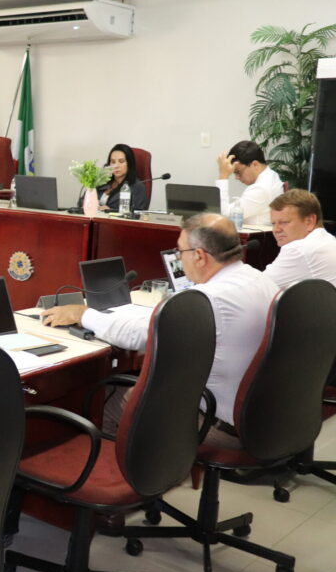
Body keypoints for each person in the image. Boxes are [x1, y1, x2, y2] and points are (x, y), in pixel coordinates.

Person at [41, 213, 278, 446]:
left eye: (180, 251)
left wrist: (82, 315)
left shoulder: (209, 299)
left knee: (106, 400)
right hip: (266, 417)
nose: (178, 257)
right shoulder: (261, 280)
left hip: (220, 426)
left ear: (199, 256)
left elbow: (137, 335)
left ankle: (115, 468)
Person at [263, 189, 336, 289]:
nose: (276, 230)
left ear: (309, 221)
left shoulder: (299, 249)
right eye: (273, 224)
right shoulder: (327, 240)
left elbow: (258, 288)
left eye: (284, 222)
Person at [216, 140, 284, 226]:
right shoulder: (271, 175)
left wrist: (223, 175)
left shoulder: (261, 188)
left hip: (256, 234)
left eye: (238, 172)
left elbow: (222, 217)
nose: (237, 177)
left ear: (255, 164)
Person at [81, 143, 149, 212]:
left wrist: (110, 211)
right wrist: (91, 203)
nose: (116, 166)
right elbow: (81, 202)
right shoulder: (102, 180)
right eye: (113, 162)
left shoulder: (137, 186)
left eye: (121, 161)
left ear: (129, 163)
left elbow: (138, 213)